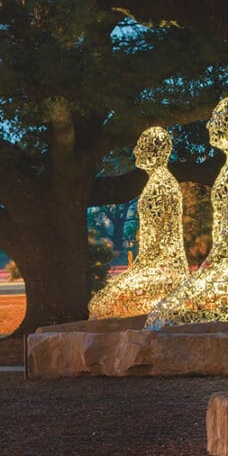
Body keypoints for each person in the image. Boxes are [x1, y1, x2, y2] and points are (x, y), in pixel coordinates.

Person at [146, 95, 228, 329]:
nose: (209, 125)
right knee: (161, 316)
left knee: (164, 319)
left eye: (216, 119)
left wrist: (207, 275)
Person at [88, 127, 189, 319]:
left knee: (100, 306)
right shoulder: (160, 184)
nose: (136, 151)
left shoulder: (159, 187)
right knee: (101, 304)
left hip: (163, 271)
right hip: (159, 269)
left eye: (142, 146)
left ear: (155, 151)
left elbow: (157, 249)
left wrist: (134, 273)